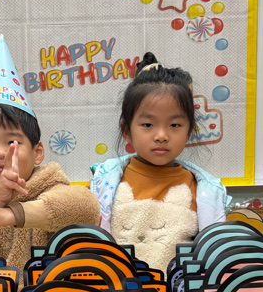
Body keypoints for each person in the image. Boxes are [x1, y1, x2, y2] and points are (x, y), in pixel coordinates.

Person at [0, 34, 101, 269]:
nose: (0, 152)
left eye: (12, 142)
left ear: (38, 152)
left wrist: (10, 215)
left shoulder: (51, 187)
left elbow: (87, 207)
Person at [90, 52, 230, 270]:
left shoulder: (205, 191)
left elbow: (214, 258)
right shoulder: (104, 184)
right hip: (119, 288)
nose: (162, 135)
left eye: (175, 125)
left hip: (179, 291)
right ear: (126, 131)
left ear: (189, 131)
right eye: (148, 125)